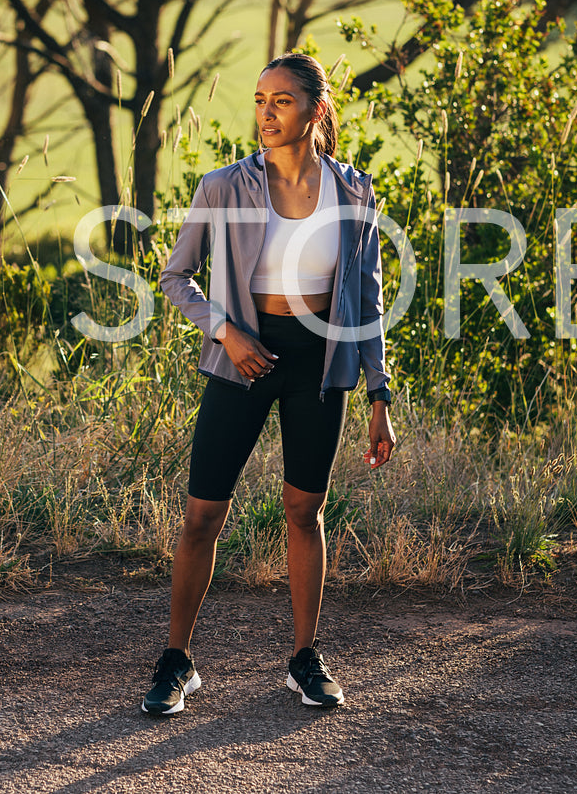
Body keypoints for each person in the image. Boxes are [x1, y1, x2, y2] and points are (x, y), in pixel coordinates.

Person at [143, 52, 398, 714]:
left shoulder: (355, 193)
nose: (264, 113)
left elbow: (365, 303)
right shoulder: (222, 187)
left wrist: (378, 396)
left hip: (320, 368)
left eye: (280, 101)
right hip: (242, 359)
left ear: (314, 110)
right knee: (202, 515)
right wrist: (225, 332)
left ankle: (303, 659)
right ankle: (177, 662)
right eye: (258, 100)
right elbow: (176, 277)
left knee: (302, 512)